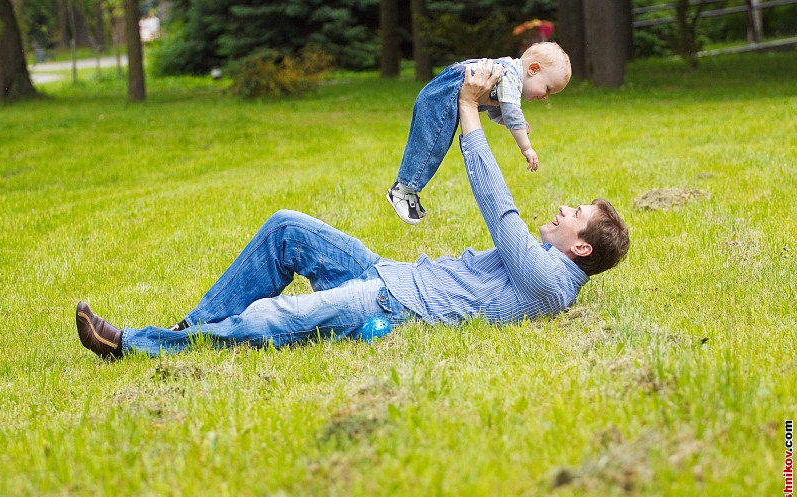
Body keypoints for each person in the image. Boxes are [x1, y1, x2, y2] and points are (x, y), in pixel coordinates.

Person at [76, 60, 629, 361]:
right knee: (287, 228)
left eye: (573, 212)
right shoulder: (547, 262)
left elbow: (498, 210)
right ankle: (190, 328)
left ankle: (134, 343)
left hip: (388, 304)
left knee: (271, 319)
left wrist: (468, 111)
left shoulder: (550, 285)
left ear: (581, 247)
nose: (562, 207)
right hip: (389, 273)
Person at [387, 42, 572, 225]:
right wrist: (526, 148)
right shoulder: (511, 76)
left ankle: (408, 191)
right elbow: (511, 112)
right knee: (431, 145)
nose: (546, 96)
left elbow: (495, 110)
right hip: (443, 95)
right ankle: (403, 190)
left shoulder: (507, 73)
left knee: (433, 144)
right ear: (533, 69)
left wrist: (511, 122)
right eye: (548, 89)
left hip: (442, 92)